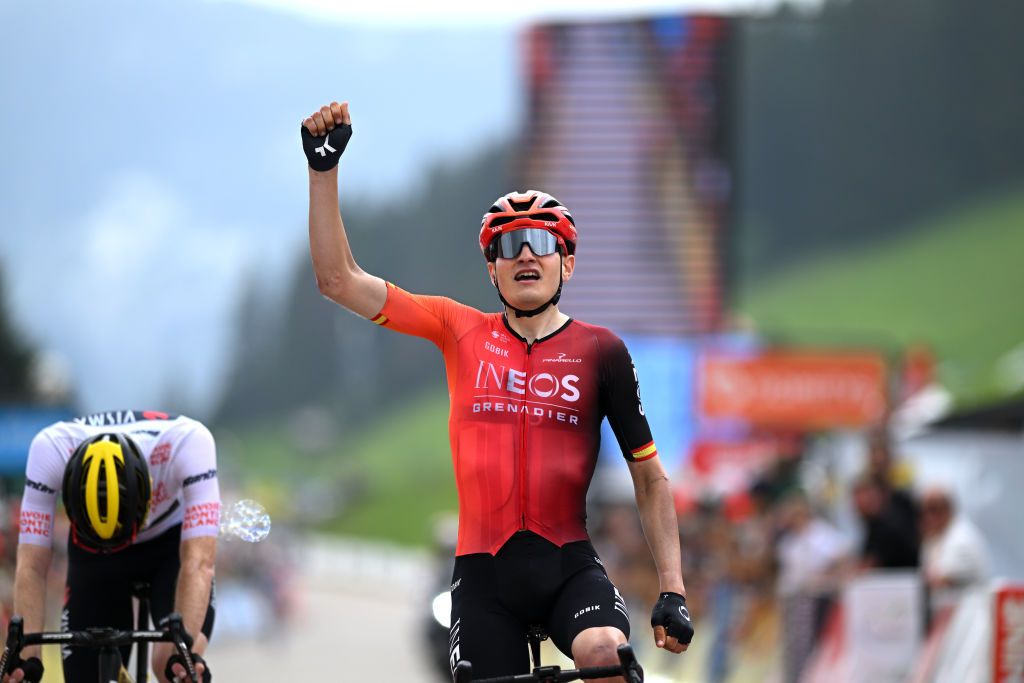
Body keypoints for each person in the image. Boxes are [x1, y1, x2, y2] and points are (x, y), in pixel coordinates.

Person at [301, 101, 694, 680]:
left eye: (541, 241)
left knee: (606, 656)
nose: (526, 254)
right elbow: (338, 281)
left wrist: (673, 588)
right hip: (484, 577)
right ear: (492, 269)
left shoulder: (601, 351)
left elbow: (649, 476)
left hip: (569, 567)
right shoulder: (457, 328)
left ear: (568, 262)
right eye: (509, 246)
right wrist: (323, 173)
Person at [6, 411, 219, 683]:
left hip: (170, 546)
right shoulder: (50, 450)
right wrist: (27, 658)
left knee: (171, 666)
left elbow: (198, 563)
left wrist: (185, 657)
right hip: (93, 556)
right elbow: (31, 567)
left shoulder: (189, 443)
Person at [919, 485, 991, 615]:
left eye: (932, 511)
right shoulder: (936, 537)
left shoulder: (962, 539)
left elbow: (941, 579)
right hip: (949, 616)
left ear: (946, 510)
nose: (926, 518)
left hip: (967, 617)